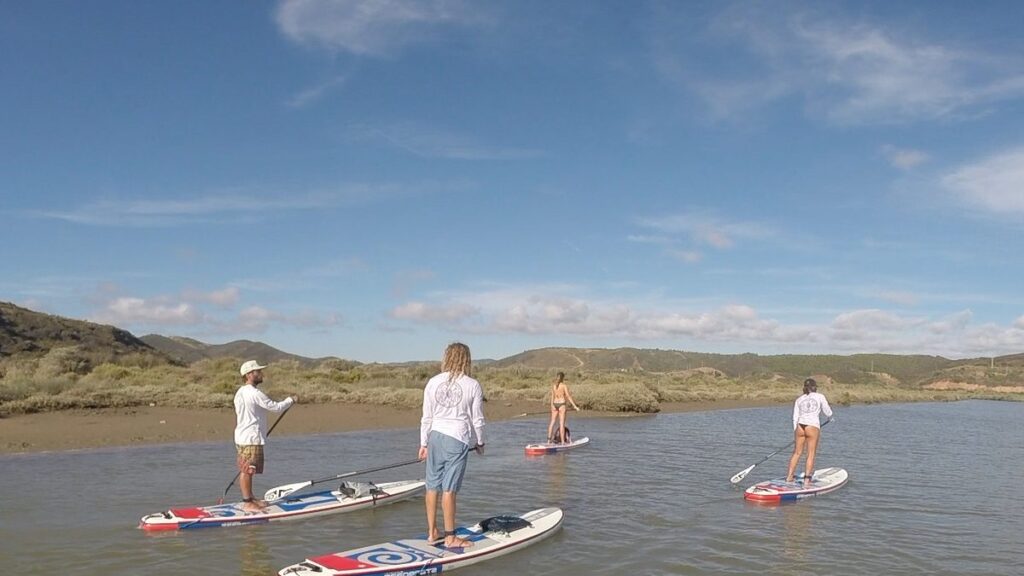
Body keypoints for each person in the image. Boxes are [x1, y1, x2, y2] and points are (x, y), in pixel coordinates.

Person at [418, 342, 486, 549]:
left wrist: (423, 443)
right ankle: (450, 537)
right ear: (466, 359)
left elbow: (426, 417)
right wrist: (481, 441)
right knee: (449, 489)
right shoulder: (472, 384)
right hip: (457, 438)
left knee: (432, 485)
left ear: (447, 357)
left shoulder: (433, 382)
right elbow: (478, 419)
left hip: (435, 437)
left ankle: (432, 532)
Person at [234, 360, 295, 512]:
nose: (261, 374)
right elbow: (275, 407)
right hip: (251, 437)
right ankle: (247, 502)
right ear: (249, 375)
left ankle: (251, 498)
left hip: (244, 436)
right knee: (248, 470)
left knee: (248, 469)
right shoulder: (254, 393)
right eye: (257, 372)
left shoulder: (240, 392)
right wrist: (291, 400)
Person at [786, 377, 833, 483]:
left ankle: (789, 476)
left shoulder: (799, 399)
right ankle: (807, 480)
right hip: (812, 427)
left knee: (797, 452)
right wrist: (830, 417)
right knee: (810, 454)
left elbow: (795, 417)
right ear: (814, 387)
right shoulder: (820, 396)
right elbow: (827, 411)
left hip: (800, 427)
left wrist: (796, 431)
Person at [546, 372, 579, 444]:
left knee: (552, 422)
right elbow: (568, 396)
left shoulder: (554, 386)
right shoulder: (564, 386)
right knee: (561, 423)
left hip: (554, 404)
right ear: (563, 378)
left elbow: (552, 397)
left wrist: (552, 405)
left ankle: (548, 441)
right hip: (561, 404)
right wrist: (575, 406)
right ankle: (563, 442)